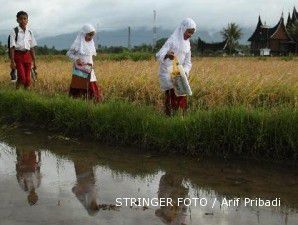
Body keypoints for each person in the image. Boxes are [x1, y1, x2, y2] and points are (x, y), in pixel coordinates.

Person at [156, 18, 196, 116]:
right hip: (167, 72)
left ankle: (180, 118)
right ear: (183, 29)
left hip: (179, 73)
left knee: (182, 97)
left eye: (192, 33)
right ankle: (169, 118)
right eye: (188, 32)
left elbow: (188, 62)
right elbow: (158, 55)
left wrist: (185, 72)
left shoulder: (187, 44)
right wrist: (167, 55)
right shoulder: (172, 40)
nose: (189, 35)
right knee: (170, 97)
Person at [67, 24, 102, 102]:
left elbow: (90, 57)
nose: (90, 37)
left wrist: (92, 65)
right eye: (89, 35)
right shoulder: (78, 43)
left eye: (92, 36)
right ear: (84, 34)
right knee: (79, 86)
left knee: (92, 87)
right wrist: (76, 59)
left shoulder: (91, 43)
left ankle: (94, 105)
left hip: (89, 69)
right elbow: (69, 53)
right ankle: (77, 104)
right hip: (80, 70)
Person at [9, 11, 37, 89]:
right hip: (18, 55)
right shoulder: (14, 31)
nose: (23, 21)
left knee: (28, 80)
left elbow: (32, 47)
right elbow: (12, 47)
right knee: (22, 78)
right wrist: (12, 61)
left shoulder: (30, 32)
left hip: (27, 56)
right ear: (17, 20)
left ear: (27, 20)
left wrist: (34, 61)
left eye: (25, 19)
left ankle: (25, 96)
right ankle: (17, 91)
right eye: (21, 19)